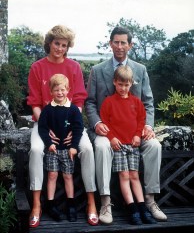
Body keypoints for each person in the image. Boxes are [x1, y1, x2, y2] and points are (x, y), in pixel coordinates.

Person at [85, 26, 167, 224]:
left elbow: (147, 102)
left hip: (135, 132)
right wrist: (96, 123)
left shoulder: (140, 70)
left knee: (154, 146)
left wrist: (147, 127)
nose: (120, 46)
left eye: (124, 42)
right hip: (108, 130)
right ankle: (105, 202)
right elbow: (90, 102)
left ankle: (149, 200)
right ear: (110, 43)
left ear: (130, 45)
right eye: (116, 42)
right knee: (102, 146)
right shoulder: (97, 70)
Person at [27, 25, 98, 228]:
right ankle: (36, 206)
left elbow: (78, 101)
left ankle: (91, 203)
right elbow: (34, 103)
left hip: (70, 125)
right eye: (56, 43)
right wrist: (45, 125)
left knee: (87, 148)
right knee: (35, 149)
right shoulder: (37, 67)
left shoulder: (74, 67)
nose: (59, 48)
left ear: (68, 47)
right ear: (49, 43)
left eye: (64, 45)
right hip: (44, 123)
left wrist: (70, 131)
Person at [100, 65, 156, 225]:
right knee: (124, 176)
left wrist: (138, 135)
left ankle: (142, 208)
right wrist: (111, 137)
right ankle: (132, 209)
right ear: (114, 82)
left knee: (134, 176)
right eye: (120, 84)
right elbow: (105, 122)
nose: (123, 88)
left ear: (131, 83)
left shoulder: (136, 102)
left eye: (126, 85)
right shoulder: (108, 102)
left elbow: (141, 120)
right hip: (118, 145)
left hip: (133, 144)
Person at [38, 74, 83, 222]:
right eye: (56, 90)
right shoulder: (47, 110)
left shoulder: (74, 110)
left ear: (68, 90)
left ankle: (71, 205)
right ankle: (50, 205)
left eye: (63, 89)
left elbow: (78, 128)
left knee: (68, 176)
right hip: (53, 149)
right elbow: (43, 129)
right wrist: (49, 143)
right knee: (52, 175)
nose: (60, 93)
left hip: (68, 149)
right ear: (51, 91)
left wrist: (74, 146)